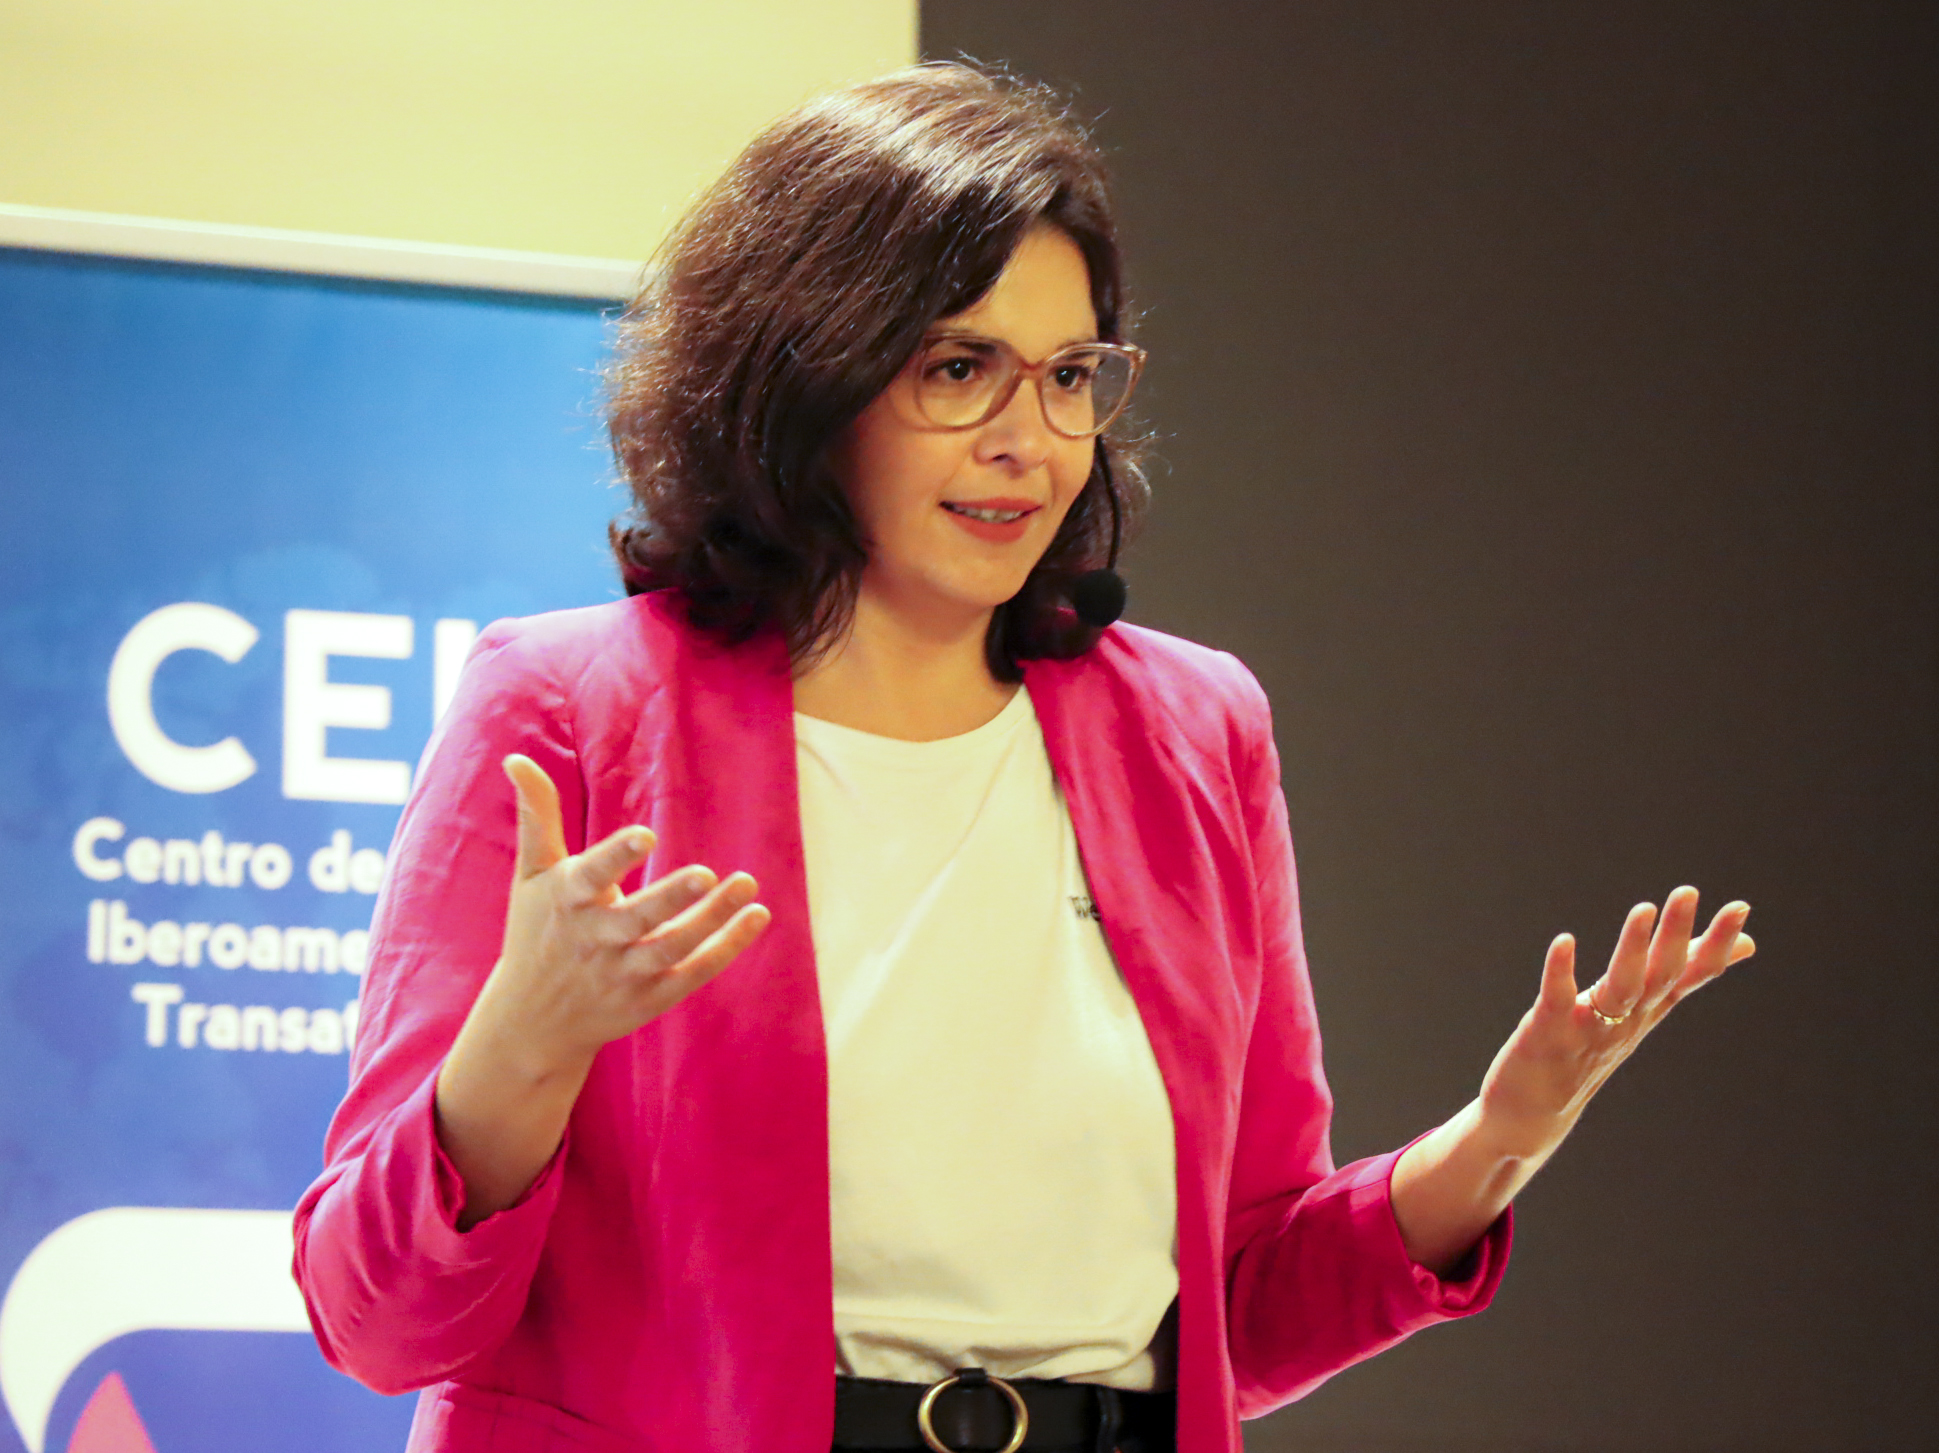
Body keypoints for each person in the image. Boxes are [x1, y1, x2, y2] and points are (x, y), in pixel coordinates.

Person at [291, 62, 1756, 1453]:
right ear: (807, 379)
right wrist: (523, 1043)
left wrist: (1493, 1142)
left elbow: (1237, 1305)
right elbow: (375, 1316)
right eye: (958, 368)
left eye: (1068, 376)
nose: (1030, 440)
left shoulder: (1193, 729)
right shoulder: (566, 709)